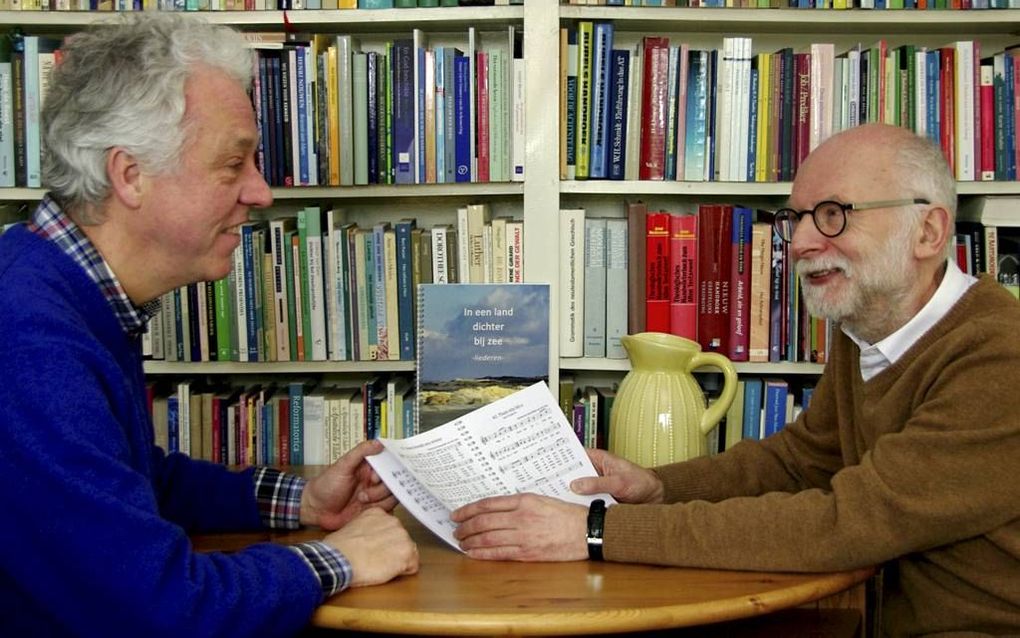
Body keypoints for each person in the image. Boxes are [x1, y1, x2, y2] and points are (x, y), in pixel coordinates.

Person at [452, 123, 1020, 636]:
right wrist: (657, 487)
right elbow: (799, 463)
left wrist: (594, 531)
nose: (798, 243)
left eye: (832, 214)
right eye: (794, 218)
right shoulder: (867, 327)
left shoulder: (1000, 354)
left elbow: (847, 522)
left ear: (929, 231)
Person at [0, 14, 418, 638]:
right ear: (130, 175)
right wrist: (338, 561)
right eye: (233, 163)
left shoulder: (56, 284)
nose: (261, 193)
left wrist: (300, 500)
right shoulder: (30, 340)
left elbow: (131, 484)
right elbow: (156, 606)